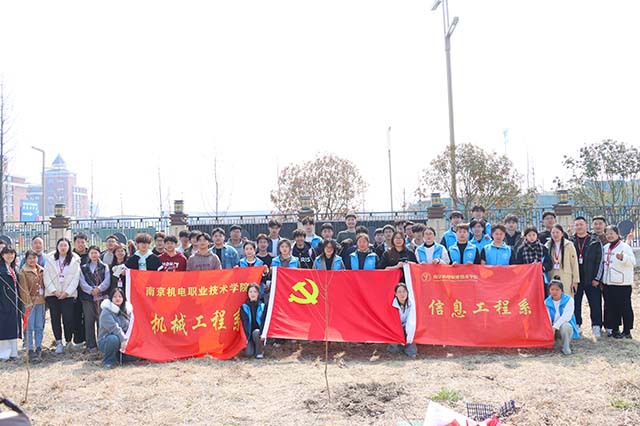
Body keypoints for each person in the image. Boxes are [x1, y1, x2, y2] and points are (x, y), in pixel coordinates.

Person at [596, 225, 636, 338]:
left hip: (622, 283)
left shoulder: (625, 247)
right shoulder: (605, 247)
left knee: (624, 307)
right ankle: (615, 328)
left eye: (611, 233)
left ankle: (627, 330)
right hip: (608, 283)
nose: (609, 236)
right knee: (611, 307)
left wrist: (623, 258)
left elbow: (633, 261)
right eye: (607, 234)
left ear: (617, 234)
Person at [44, 238, 81, 354]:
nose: (63, 248)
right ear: (57, 247)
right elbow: (46, 277)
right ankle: (59, 342)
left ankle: (68, 341)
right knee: (55, 319)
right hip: (53, 295)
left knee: (68, 319)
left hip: (68, 295)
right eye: (61, 245)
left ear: (69, 247)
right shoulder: (50, 259)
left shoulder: (75, 260)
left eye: (65, 245)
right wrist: (54, 291)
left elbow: (76, 278)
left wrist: (67, 292)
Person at [571, 217, 603, 337]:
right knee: (576, 302)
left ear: (586, 225)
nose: (579, 227)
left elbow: (600, 261)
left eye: (581, 224)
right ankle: (577, 324)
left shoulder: (595, 241)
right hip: (576, 279)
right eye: (577, 225)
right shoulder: (570, 241)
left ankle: (596, 326)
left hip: (591, 278)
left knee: (595, 303)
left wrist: (597, 278)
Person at [79, 245, 111, 353]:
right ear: (88, 254)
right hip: (88, 298)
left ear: (99, 254)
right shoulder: (83, 267)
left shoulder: (104, 266)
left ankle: (102, 343)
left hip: (102, 297)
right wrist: (91, 290)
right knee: (89, 321)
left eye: (96, 253)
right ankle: (91, 345)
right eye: (91, 253)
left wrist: (99, 289)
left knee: (101, 320)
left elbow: (107, 280)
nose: (94, 255)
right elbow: (82, 282)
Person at [18, 250, 45, 361]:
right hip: (30, 303)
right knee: (29, 327)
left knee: (39, 326)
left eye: (34, 258)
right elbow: (23, 289)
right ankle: (29, 349)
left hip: (41, 302)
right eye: (30, 258)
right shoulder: (23, 272)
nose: (32, 260)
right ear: (26, 259)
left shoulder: (41, 270)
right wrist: (27, 303)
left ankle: (38, 347)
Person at [98, 288, 134, 368]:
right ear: (111, 298)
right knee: (113, 339)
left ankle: (118, 358)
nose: (117, 298)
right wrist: (123, 339)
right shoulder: (106, 312)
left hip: (123, 341)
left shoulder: (127, 311)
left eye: (120, 296)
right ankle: (108, 361)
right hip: (107, 340)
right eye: (115, 296)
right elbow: (114, 328)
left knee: (134, 357)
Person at [545, 278, 580, 355]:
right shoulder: (546, 302)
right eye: (552, 289)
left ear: (562, 290)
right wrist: (550, 328)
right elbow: (547, 317)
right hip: (552, 329)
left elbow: (566, 317)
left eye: (557, 290)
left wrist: (555, 327)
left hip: (562, 327)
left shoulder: (569, 300)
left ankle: (566, 347)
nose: (554, 292)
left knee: (566, 326)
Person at [516, 227, 554, 295]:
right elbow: (518, 265)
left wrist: (541, 267)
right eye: (529, 235)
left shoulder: (543, 248)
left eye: (534, 235)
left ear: (537, 236)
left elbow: (549, 263)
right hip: (526, 279)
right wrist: (529, 267)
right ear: (525, 237)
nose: (532, 237)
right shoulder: (521, 249)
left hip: (540, 278)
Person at [545, 224, 579, 296]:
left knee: (566, 296)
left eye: (557, 232)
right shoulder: (547, 245)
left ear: (562, 233)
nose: (555, 235)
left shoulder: (569, 245)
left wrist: (575, 281)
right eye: (553, 233)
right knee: (553, 296)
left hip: (566, 276)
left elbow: (574, 263)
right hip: (552, 275)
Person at [0, 246, 21, 361]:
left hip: (13, 302)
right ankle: (4, 354)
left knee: (13, 328)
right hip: (3, 302)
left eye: (12, 254)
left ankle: (13, 352)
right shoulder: (1, 270)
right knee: (4, 329)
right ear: (2, 255)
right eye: (7, 253)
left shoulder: (13, 268)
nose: (10, 256)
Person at [387, 283, 417, 358]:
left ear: (407, 292)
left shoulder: (412, 303)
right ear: (395, 294)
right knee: (394, 350)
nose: (402, 294)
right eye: (399, 292)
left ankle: (407, 346)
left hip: (408, 328)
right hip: (396, 329)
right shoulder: (392, 305)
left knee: (412, 352)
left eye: (404, 291)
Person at [240, 284, 267, 359]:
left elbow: (264, 322)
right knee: (249, 354)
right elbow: (244, 324)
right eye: (250, 292)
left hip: (259, 334)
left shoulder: (263, 306)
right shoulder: (244, 307)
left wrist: (263, 334)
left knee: (256, 332)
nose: (252, 294)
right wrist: (245, 338)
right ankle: (253, 346)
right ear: (247, 294)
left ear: (258, 293)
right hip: (249, 335)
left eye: (255, 292)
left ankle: (259, 352)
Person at [72, 233, 89, 346]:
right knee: (75, 315)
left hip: (87, 291)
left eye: (82, 242)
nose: (80, 244)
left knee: (87, 316)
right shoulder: (71, 256)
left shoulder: (90, 255)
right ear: (74, 243)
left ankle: (89, 339)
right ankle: (78, 340)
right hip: (73, 290)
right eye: (78, 242)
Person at [255, 234, 274, 298]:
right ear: (257, 244)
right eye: (260, 242)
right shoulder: (254, 258)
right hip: (258, 286)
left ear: (268, 244)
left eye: (264, 242)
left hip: (270, 286)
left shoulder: (272, 258)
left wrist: (269, 285)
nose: (263, 244)